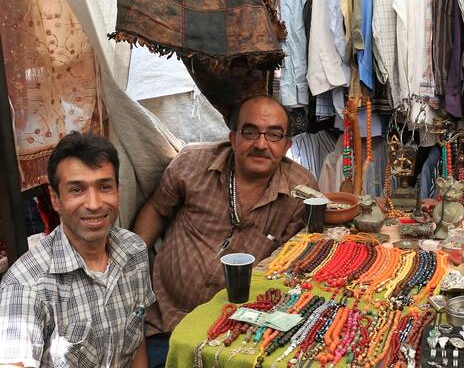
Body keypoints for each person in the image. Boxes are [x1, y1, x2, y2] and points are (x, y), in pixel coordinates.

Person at [132, 95, 318, 366]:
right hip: (165, 321)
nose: (261, 144)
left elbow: (292, 265)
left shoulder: (300, 190)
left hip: (239, 333)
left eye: (274, 135)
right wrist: (128, 266)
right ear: (232, 138)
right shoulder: (192, 163)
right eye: (250, 132)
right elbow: (158, 209)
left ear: (287, 145)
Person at [0, 132, 155, 367]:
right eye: (76, 190)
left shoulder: (134, 251)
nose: (94, 204)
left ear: (117, 190)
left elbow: (136, 343)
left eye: (104, 186)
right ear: (55, 199)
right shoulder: (26, 284)